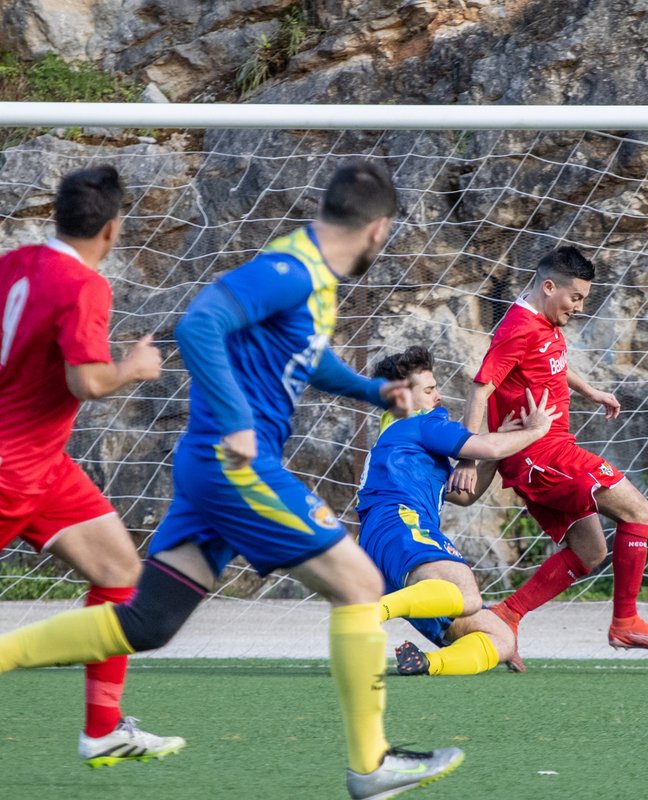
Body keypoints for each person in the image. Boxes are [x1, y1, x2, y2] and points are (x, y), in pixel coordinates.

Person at [0, 161, 463, 799]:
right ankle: (370, 766)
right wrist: (239, 421)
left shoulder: (307, 271)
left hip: (208, 466)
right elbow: (198, 325)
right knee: (358, 584)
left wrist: (371, 390)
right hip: (235, 464)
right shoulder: (288, 270)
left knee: (149, 622)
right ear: (379, 229)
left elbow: (305, 356)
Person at [0, 165, 184, 767]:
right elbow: (86, 380)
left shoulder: (17, 261)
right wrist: (134, 366)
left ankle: (103, 729)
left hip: (42, 465)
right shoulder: (85, 286)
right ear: (112, 229)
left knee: (119, 570)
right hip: (11, 469)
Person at [449, 245, 648, 672]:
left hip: (548, 455)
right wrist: (466, 456)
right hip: (542, 455)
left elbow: (551, 364)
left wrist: (590, 391)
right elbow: (481, 387)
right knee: (638, 509)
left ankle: (507, 616)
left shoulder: (543, 321)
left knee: (590, 551)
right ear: (548, 286)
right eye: (575, 297)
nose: (579, 307)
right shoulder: (518, 326)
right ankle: (625, 621)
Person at [355, 346, 559, 677]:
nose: (439, 396)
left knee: (501, 637)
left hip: (382, 546)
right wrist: (535, 430)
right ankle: (371, 612)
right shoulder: (421, 422)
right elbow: (487, 445)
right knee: (467, 596)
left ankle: (427, 663)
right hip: (401, 525)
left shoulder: (396, 434)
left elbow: (464, 495)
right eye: (430, 389)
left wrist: (487, 454)